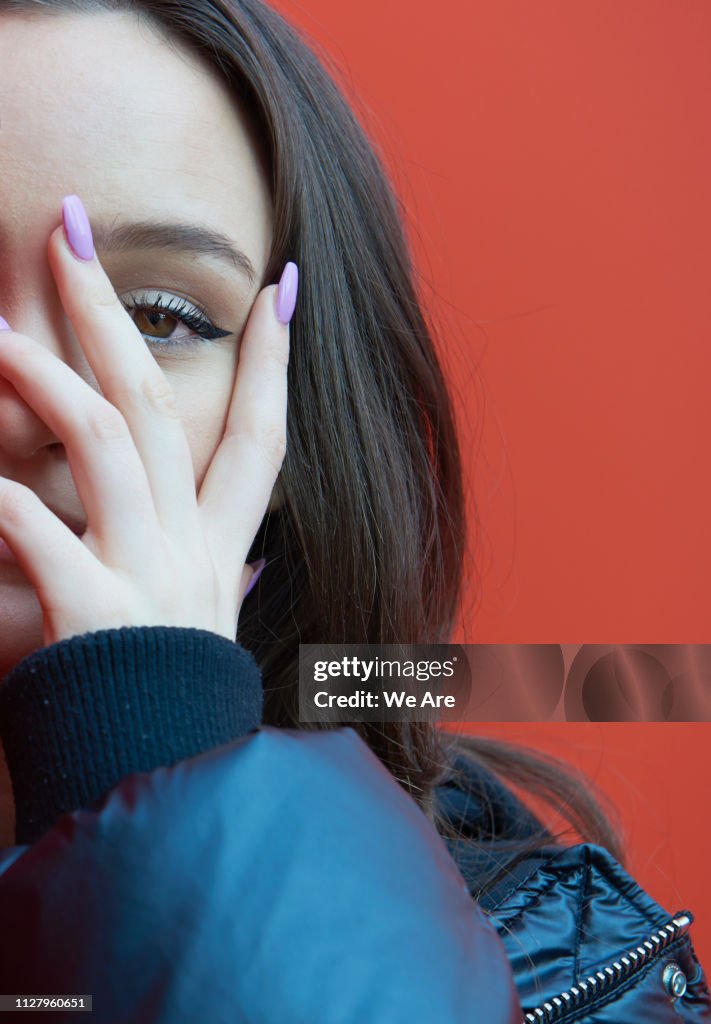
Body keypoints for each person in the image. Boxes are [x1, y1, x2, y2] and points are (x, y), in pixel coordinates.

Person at [0, 1, 707, 1022]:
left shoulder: (550, 968)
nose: (31, 404)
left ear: (286, 426)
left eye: (159, 317)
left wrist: (158, 775)